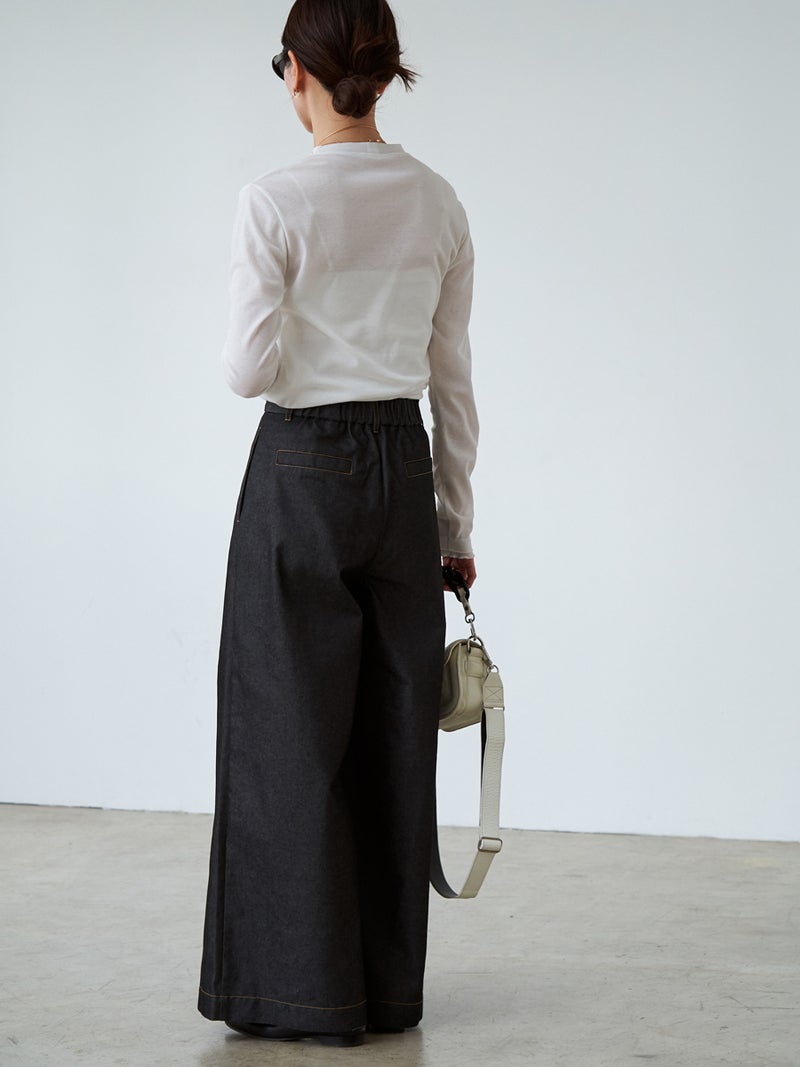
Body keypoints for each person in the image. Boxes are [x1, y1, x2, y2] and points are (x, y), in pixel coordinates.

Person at [197, 0, 479, 1048]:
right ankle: (386, 992)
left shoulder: (273, 199)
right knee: (393, 736)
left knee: (286, 731)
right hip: (402, 470)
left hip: (302, 466)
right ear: (385, 74)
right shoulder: (436, 199)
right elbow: (451, 379)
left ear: (297, 75)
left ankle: (299, 994)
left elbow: (247, 372)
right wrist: (455, 524)